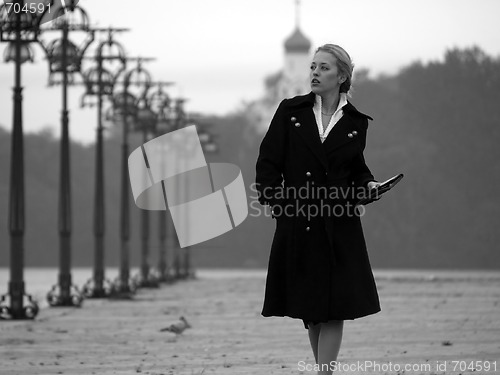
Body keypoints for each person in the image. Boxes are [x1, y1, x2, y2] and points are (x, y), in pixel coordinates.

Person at [255, 43, 381, 375]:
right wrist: (278, 203)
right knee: (312, 310)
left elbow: (357, 169)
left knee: (335, 305)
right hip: (298, 222)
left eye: (324, 68)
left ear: (342, 76)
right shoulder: (290, 112)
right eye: (313, 66)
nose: (314, 72)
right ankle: (324, 370)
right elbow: (268, 163)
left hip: (340, 225)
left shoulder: (356, 122)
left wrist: (367, 185)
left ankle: (325, 372)